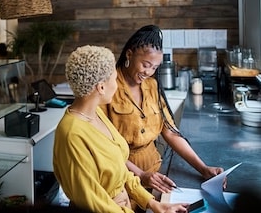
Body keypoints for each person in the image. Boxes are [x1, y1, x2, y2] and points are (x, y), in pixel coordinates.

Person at [53, 45, 188, 213]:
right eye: (115, 79)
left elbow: (119, 169)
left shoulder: (95, 114)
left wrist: (153, 204)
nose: (117, 86)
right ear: (101, 87)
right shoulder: (71, 134)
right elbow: (94, 202)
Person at [100, 25, 224, 207]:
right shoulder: (108, 86)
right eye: (145, 65)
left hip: (155, 173)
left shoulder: (151, 86)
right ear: (129, 54)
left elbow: (171, 132)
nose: (148, 72)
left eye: (154, 68)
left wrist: (203, 168)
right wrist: (140, 175)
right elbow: (104, 148)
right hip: (121, 178)